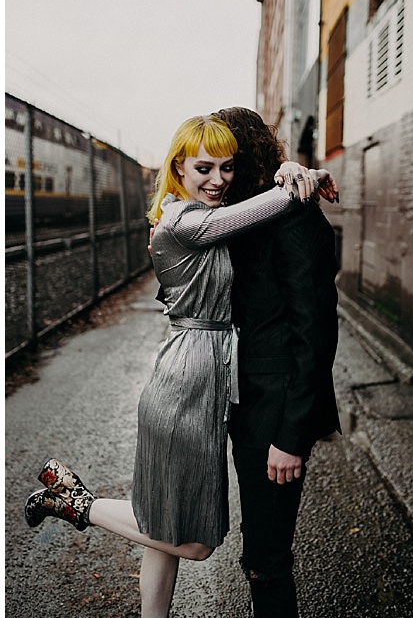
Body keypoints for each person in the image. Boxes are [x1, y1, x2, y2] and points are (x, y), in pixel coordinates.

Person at [22, 114, 331, 617]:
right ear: (178, 168)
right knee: (189, 540)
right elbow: (275, 202)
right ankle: (75, 503)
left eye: (228, 167)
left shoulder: (193, 213)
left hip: (203, 378)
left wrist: (297, 171)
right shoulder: (185, 221)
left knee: (161, 530)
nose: (219, 179)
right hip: (187, 382)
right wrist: (305, 176)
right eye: (204, 167)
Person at [217, 106, 342, 617]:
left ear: (247, 159)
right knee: (258, 550)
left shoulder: (291, 213)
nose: (220, 176)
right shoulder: (239, 215)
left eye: (228, 164)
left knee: (267, 557)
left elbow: (315, 332)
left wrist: (291, 437)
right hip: (247, 405)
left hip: (277, 411)